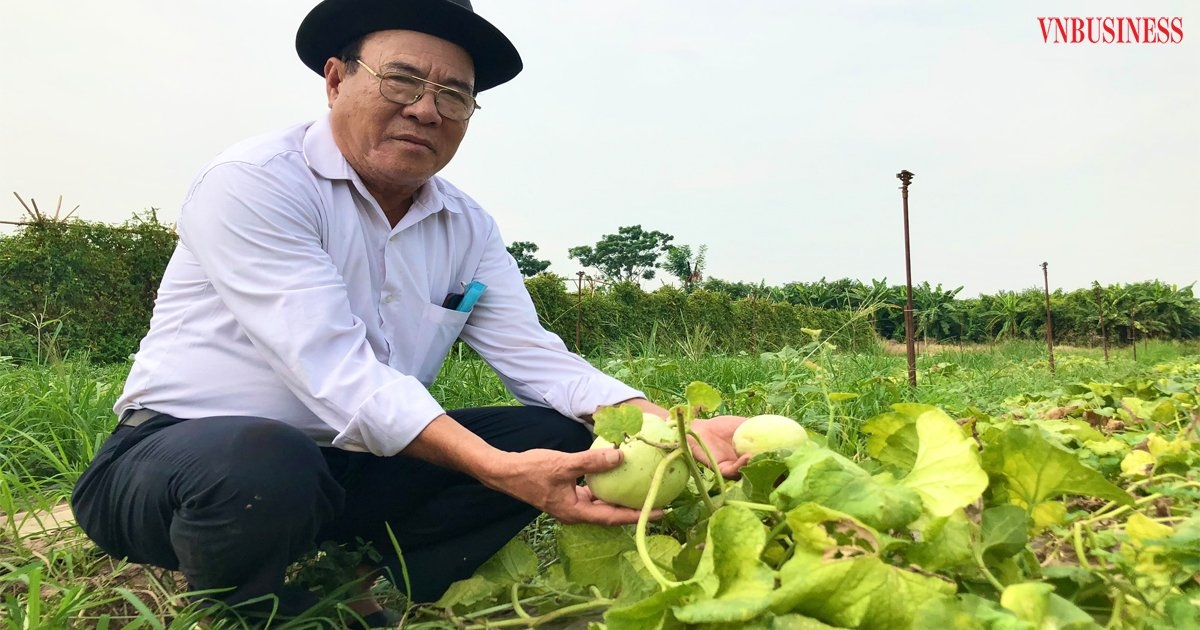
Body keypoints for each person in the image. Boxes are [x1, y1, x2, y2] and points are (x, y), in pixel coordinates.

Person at [70, 0, 748, 625]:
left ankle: (363, 576)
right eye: (401, 81)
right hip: (180, 460)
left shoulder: (467, 226)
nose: (426, 110)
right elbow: (333, 369)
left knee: (556, 434)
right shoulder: (256, 182)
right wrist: (492, 468)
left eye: (454, 94)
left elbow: (536, 357)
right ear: (335, 80)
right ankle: (256, 605)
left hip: (344, 465)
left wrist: (672, 426)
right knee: (264, 456)